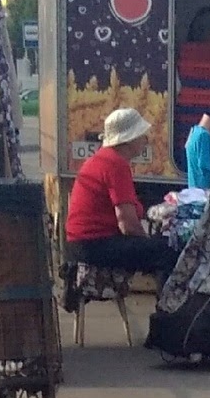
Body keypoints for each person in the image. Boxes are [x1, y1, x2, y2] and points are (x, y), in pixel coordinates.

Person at [65, 108, 180, 281]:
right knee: (170, 251)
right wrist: (146, 241)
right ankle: (168, 306)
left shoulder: (102, 159)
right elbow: (127, 224)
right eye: (141, 135)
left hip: (81, 244)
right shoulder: (116, 164)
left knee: (158, 247)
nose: (145, 139)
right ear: (129, 139)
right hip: (94, 245)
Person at [184, 113, 210, 191]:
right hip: (204, 190)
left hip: (193, 187)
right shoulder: (204, 136)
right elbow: (206, 166)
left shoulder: (194, 132)